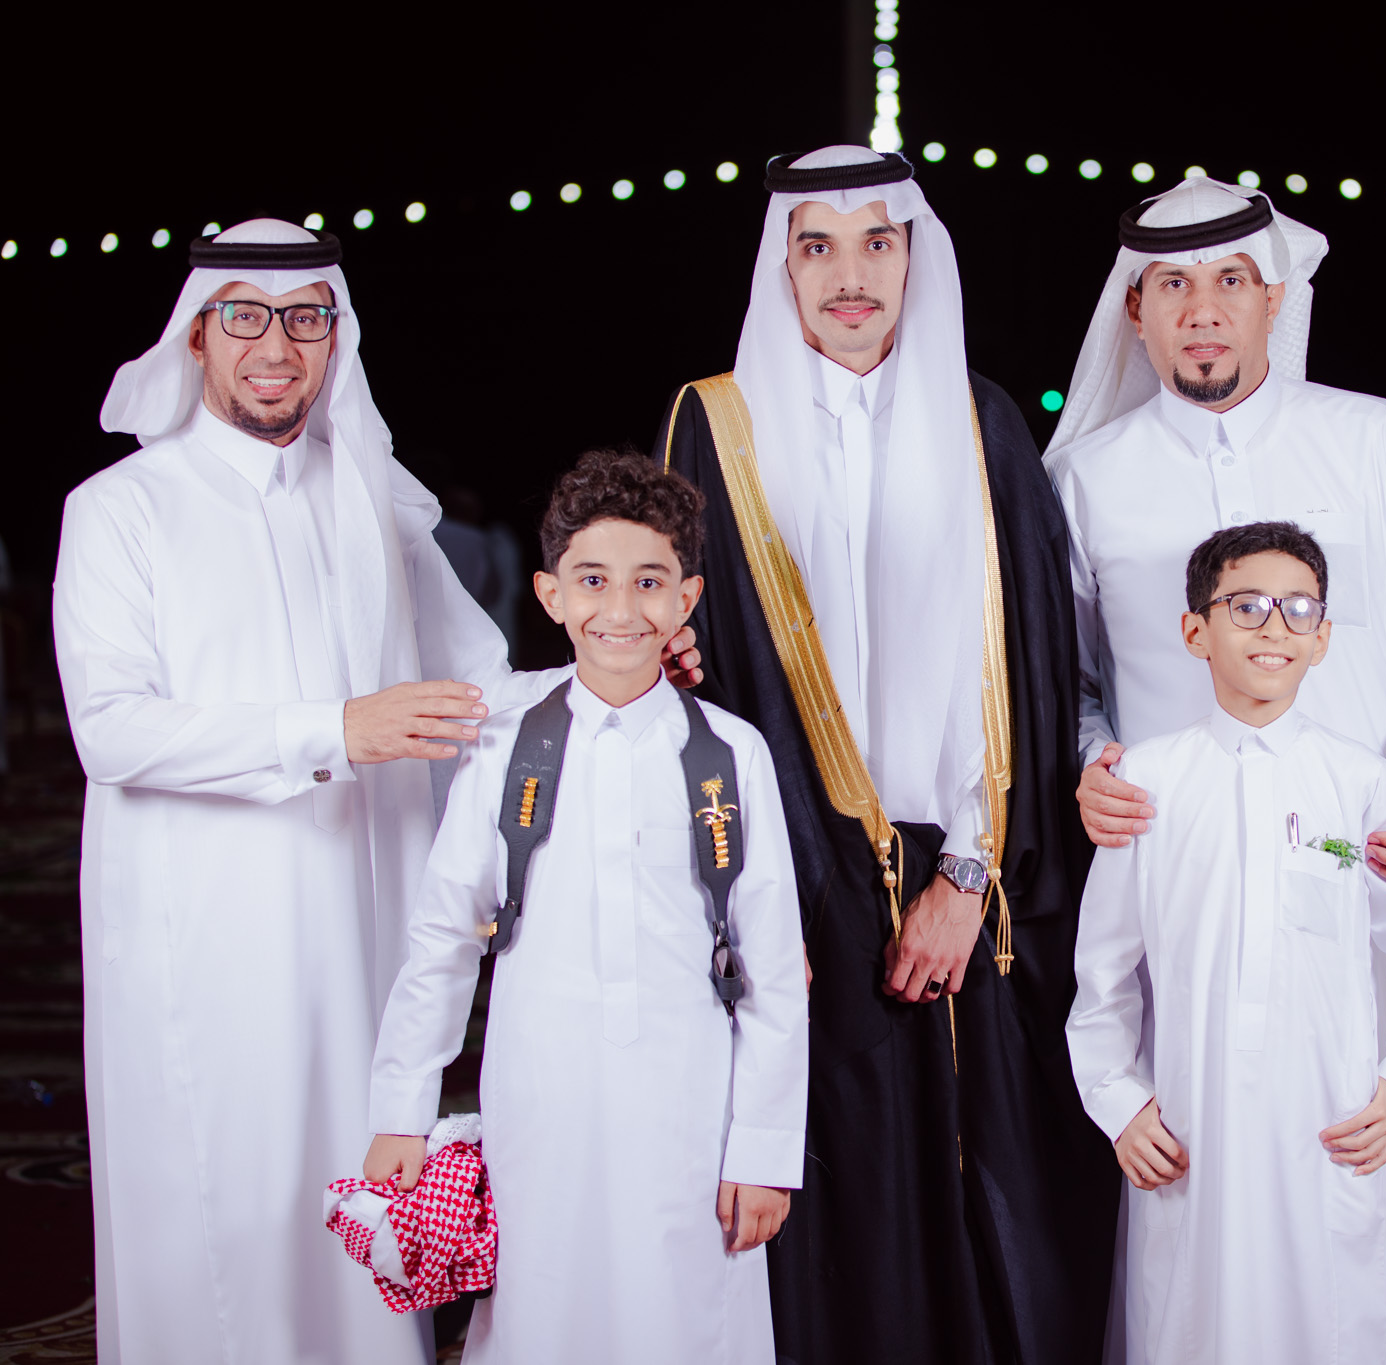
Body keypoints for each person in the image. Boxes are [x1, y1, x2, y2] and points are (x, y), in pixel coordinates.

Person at [52, 220, 559, 1363]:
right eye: (245, 316)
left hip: (363, 938)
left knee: (360, 1201)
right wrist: (336, 730)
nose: (276, 347)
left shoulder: (373, 506)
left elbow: (478, 693)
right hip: (200, 943)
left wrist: (623, 671)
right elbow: (111, 729)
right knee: (215, 1218)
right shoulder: (122, 508)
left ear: (338, 336)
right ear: (195, 336)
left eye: (305, 317)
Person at [652, 146, 1115, 1365]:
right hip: (789, 876)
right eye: (816, 246)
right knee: (818, 1187)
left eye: (876, 243)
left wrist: (969, 875)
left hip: (963, 883)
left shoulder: (982, 422)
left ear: (915, 259)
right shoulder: (714, 423)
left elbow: (1027, 665)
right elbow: (681, 649)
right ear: (781, 265)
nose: (848, 275)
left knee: (977, 1187)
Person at [1045, 175, 1386, 1363]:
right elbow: (1064, 677)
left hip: (1363, 859)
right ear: (1135, 311)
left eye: (1229, 282)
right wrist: (1090, 761)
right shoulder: (1086, 476)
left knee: (1380, 1174)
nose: (1201, 310)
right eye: (1171, 285)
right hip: (1182, 888)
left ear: (1276, 298)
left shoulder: (1371, 438)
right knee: (1199, 1202)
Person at [364, 450, 808, 1363]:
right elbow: (444, 937)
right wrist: (402, 1107)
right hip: (541, 1097)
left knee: (687, 1315)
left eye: (649, 581)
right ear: (551, 594)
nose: (620, 609)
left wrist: (764, 1149)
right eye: (593, 580)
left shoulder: (730, 756)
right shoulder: (506, 750)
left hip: (692, 1106)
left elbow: (770, 971)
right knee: (544, 1308)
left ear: (685, 599)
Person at [1068, 522, 1386, 1365]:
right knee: (1193, 1322)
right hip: (1191, 1129)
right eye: (1246, 606)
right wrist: (1119, 1101)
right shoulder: (1148, 782)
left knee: (1332, 1325)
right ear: (1195, 630)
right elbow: (1102, 973)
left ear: (1323, 638)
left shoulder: (1363, 783)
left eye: (1298, 609)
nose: (1274, 626)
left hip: (1329, 1122)